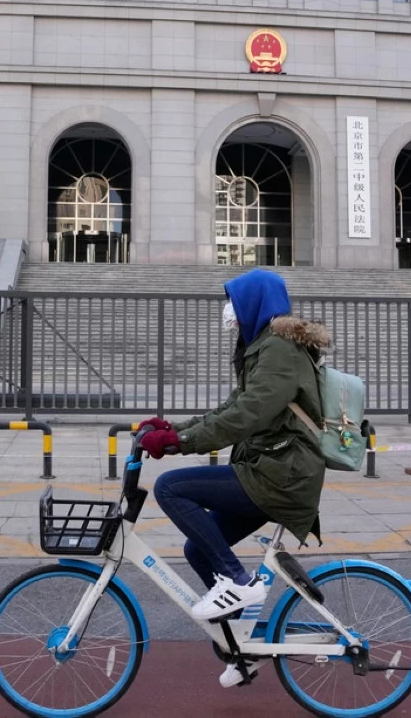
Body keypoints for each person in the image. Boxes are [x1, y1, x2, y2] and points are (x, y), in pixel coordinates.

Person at [138, 269, 328, 634]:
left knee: (170, 488)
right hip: (271, 468)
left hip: (280, 474)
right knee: (199, 548)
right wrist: (173, 429)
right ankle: (242, 644)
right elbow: (230, 407)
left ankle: (238, 582)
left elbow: (246, 415)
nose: (230, 310)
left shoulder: (278, 347)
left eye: (235, 302)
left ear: (255, 302)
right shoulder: (263, 346)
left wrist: (182, 444)